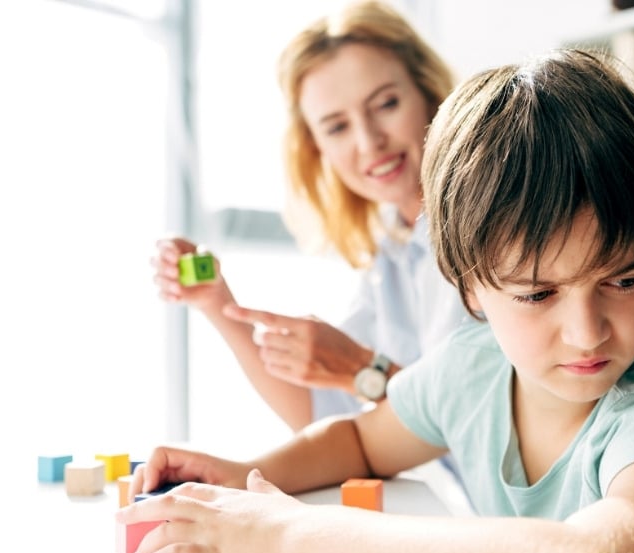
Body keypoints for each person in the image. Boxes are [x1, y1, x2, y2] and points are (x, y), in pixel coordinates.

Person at [120, 49, 634, 553]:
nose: (587, 333)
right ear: (469, 286)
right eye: (537, 294)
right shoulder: (472, 365)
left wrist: (287, 535)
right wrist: (243, 474)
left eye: (626, 280)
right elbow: (360, 442)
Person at [152, 0, 468, 432]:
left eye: (386, 104)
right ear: (317, 148)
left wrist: (360, 369)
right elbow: (323, 409)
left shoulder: (489, 230)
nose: (368, 142)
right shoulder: (393, 250)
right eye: (337, 127)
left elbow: (477, 423)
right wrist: (217, 302)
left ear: (430, 94)